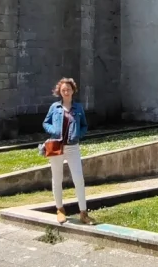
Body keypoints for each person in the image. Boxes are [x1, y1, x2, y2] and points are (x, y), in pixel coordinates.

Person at [42, 78, 95, 225]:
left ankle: (83, 213)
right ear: (60, 91)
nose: (66, 92)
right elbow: (45, 122)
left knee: (78, 179)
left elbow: (84, 125)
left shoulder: (78, 108)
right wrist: (54, 130)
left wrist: (79, 134)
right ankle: (60, 209)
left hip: (73, 146)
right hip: (57, 146)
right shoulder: (54, 107)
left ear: (73, 91)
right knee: (57, 178)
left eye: (68, 89)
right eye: (63, 90)